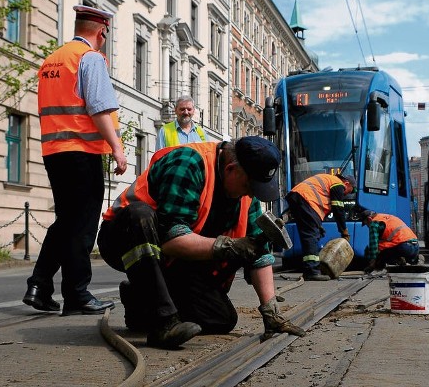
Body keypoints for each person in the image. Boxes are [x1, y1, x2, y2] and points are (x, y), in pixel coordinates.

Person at [97, 137, 305, 349]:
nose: (251, 193)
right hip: (125, 237)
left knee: (221, 318)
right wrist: (229, 247)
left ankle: (140, 300)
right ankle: (163, 323)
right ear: (231, 169)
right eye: (248, 185)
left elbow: (260, 255)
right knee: (139, 214)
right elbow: (170, 241)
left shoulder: (246, 194)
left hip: (176, 258)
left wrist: (271, 312)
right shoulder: (188, 163)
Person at [22, 5, 127, 316]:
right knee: (81, 225)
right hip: (82, 151)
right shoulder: (90, 58)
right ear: (101, 33)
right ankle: (77, 294)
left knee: (66, 221)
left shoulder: (52, 61)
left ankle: (39, 286)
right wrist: (117, 148)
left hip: (55, 152)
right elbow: (98, 108)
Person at [284, 173, 356, 281]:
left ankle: (309, 268)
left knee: (310, 233)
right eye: (350, 191)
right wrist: (343, 231)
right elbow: (338, 210)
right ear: (347, 183)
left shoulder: (328, 180)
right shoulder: (338, 184)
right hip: (306, 199)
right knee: (310, 235)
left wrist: (318, 226)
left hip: (296, 196)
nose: (346, 194)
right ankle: (312, 271)